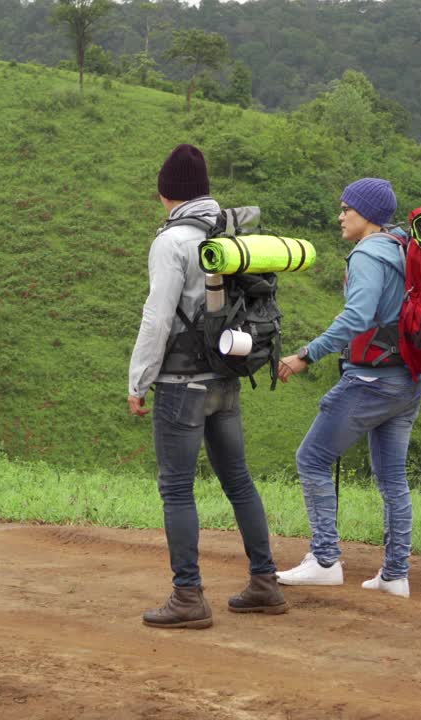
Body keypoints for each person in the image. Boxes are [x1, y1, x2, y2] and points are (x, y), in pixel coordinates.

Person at [128, 144, 287, 629]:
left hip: (181, 384)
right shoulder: (225, 232)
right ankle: (265, 582)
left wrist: (139, 379)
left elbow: (157, 318)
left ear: (165, 194)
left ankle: (188, 597)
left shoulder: (171, 241)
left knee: (177, 489)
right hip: (225, 376)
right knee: (238, 481)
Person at [274, 178, 421, 599]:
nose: (340, 216)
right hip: (407, 380)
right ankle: (395, 575)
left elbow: (357, 317)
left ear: (368, 215)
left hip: (371, 381)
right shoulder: (402, 246)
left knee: (312, 458)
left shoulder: (368, 254)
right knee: (393, 479)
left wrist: (305, 354)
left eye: (347, 209)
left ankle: (324, 560)